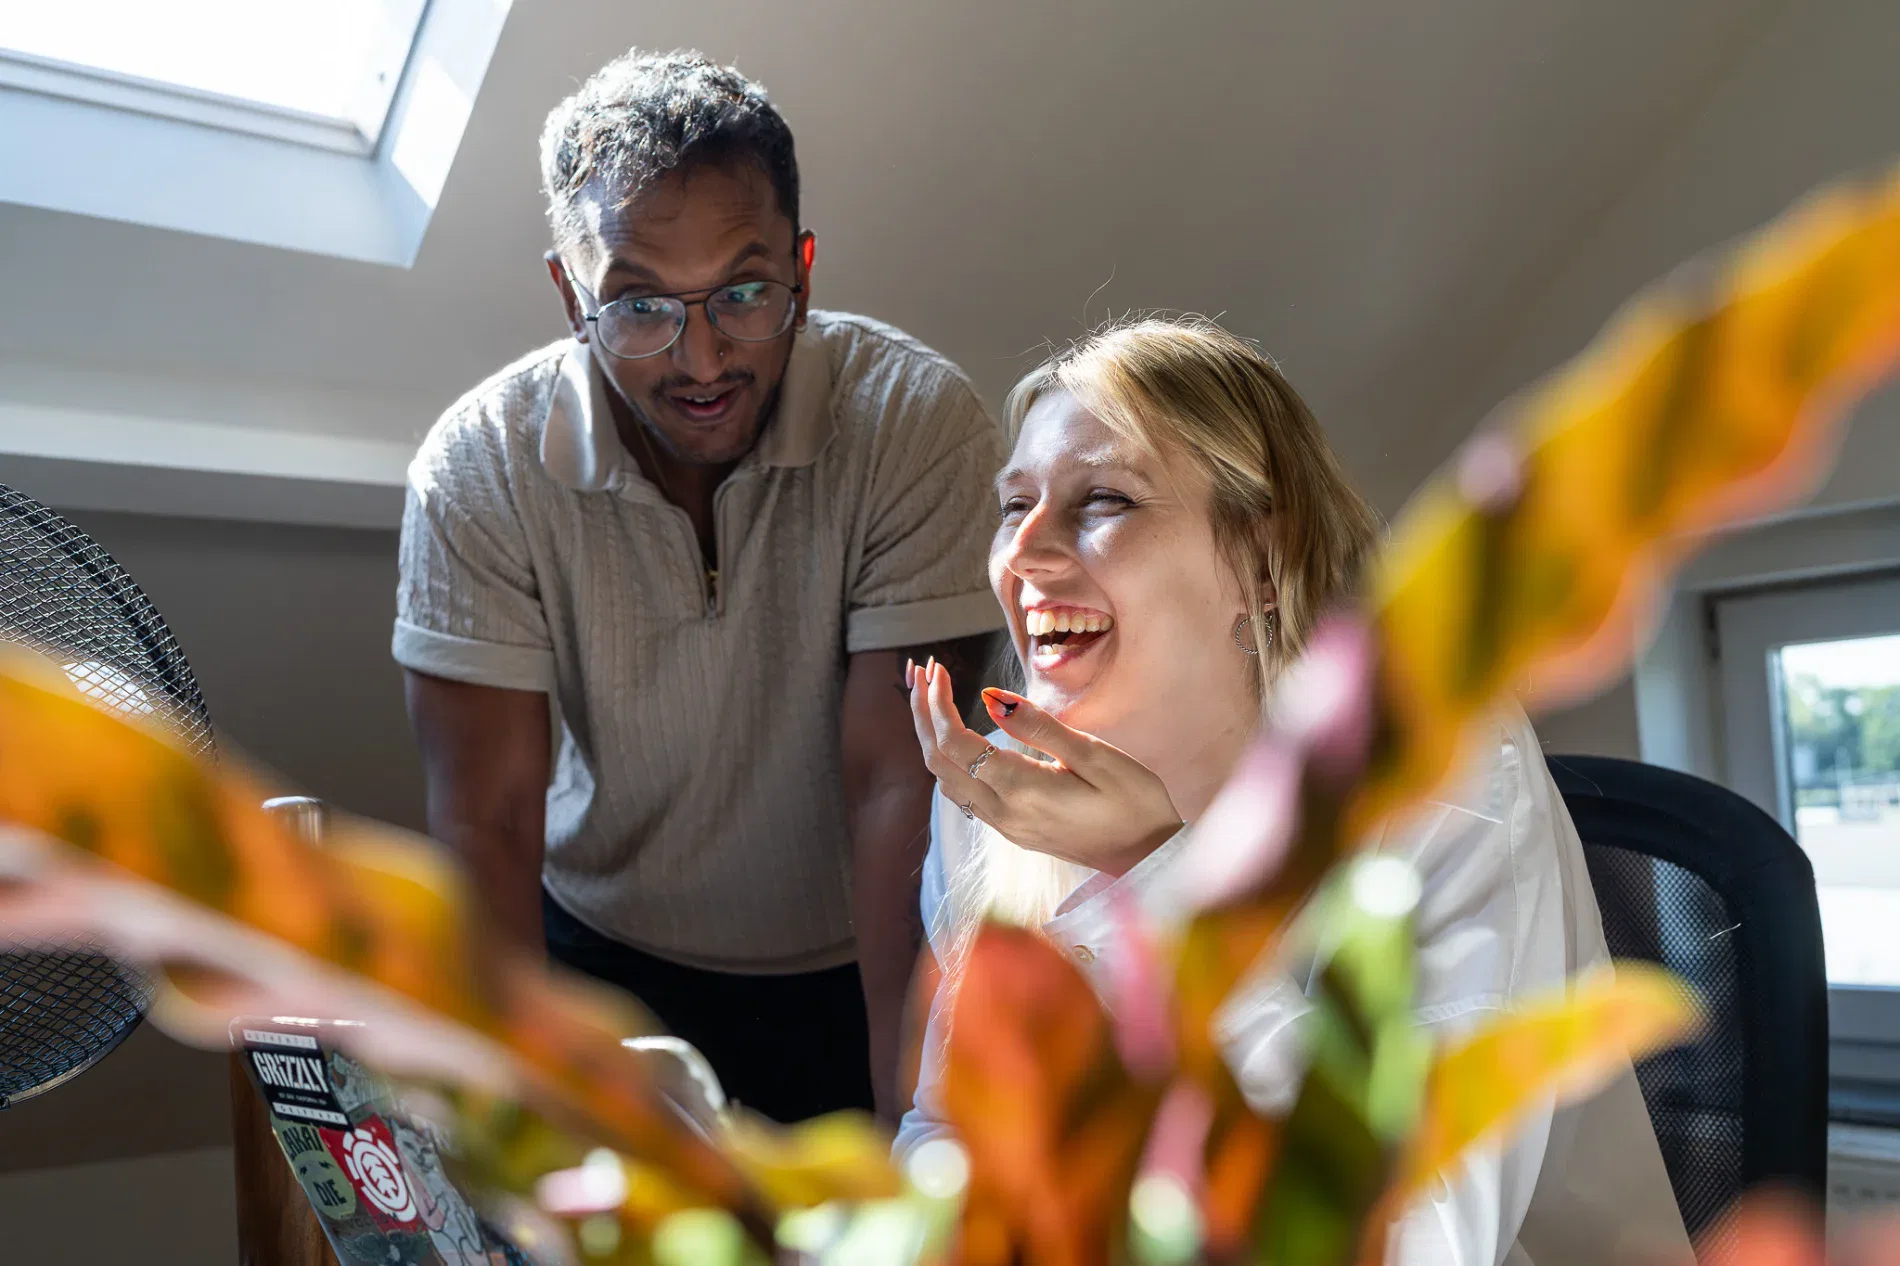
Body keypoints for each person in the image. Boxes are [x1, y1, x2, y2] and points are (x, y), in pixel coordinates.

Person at [894, 317, 1692, 1266]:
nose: (1022, 554)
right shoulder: (991, 796)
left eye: (1101, 499)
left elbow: (1409, 1237)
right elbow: (949, 1133)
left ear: (1262, 561)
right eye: (1012, 503)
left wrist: (1152, 876)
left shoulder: (1442, 772)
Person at [393, 49, 1004, 1124]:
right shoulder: (478, 465)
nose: (702, 358)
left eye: (744, 292)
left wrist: (910, 1112)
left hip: (853, 963)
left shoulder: (916, 421)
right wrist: (524, 1111)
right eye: (639, 306)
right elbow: (486, 816)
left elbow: (897, 786)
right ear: (568, 294)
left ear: (804, 270)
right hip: (600, 963)